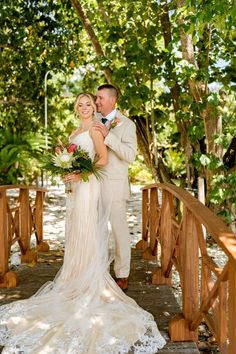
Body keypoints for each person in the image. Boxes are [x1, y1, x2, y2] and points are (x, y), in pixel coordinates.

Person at [0, 93, 166, 353]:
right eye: (82, 104)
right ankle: (74, 274)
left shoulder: (97, 130)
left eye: (90, 103)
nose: (86, 107)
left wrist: (78, 173)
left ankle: (88, 278)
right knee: (75, 230)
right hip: (75, 190)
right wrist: (64, 165)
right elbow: (75, 157)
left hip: (88, 187)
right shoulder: (75, 130)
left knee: (88, 230)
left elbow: (103, 159)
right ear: (76, 108)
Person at [94, 84, 136, 292]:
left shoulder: (127, 125)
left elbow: (130, 155)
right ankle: (97, 271)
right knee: (95, 231)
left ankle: (122, 273)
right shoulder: (91, 121)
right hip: (92, 186)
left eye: (100, 98)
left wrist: (108, 137)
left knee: (119, 232)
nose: (96, 102)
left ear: (112, 100)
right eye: (96, 98)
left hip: (115, 187)